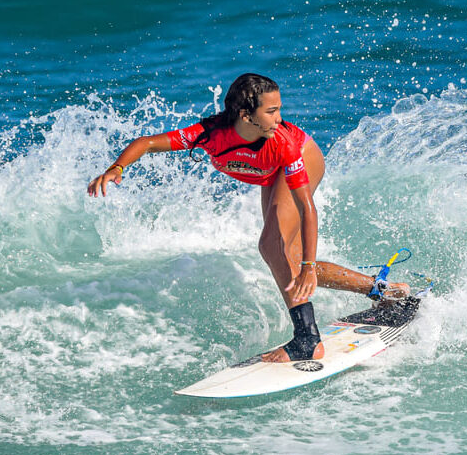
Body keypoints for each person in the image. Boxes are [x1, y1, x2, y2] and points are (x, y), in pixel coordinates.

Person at [87, 73, 408, 362]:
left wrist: (310, 267)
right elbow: (147, 143)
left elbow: (308, 208)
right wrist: (116, 168)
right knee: (289, 261)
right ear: (246, 115)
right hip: (269, 173)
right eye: (271, 111)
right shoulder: (209, 134)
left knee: (273, 246)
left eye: (280, 109)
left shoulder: (283, 142)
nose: (279, 118)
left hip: (299, 160)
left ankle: (308, 339)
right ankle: (384, 291)